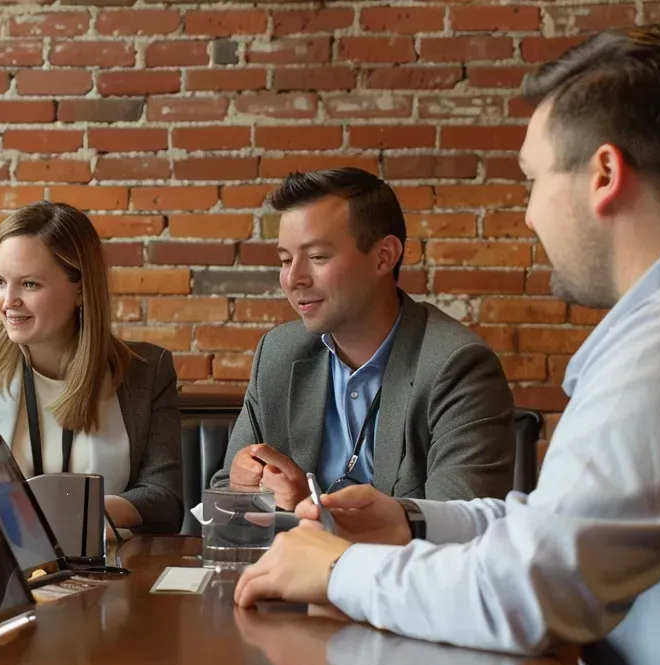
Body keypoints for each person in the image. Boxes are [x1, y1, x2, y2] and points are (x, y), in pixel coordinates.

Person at [233, 24, 660, 665]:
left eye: (535, 178)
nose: (530, 215)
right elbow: (561, 525)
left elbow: (530, 595)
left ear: (604, 173)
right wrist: (411, 520)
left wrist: (341, 568)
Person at [207, 168, 516, 511]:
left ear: (384, 256)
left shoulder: (458, 366)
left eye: (318, 257)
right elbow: (225, 491)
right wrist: (241, 483)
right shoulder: (279, 353)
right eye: (285, 259)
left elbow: (457, 527)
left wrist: (307, 510)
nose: (294, 278)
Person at [0, 202, 183, 532]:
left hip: (110, 572)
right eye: (0, 282)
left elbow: (165, 501)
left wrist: (75, 514)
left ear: (80, 289)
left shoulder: (146, 373)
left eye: (29, 284)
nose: (8, 301)